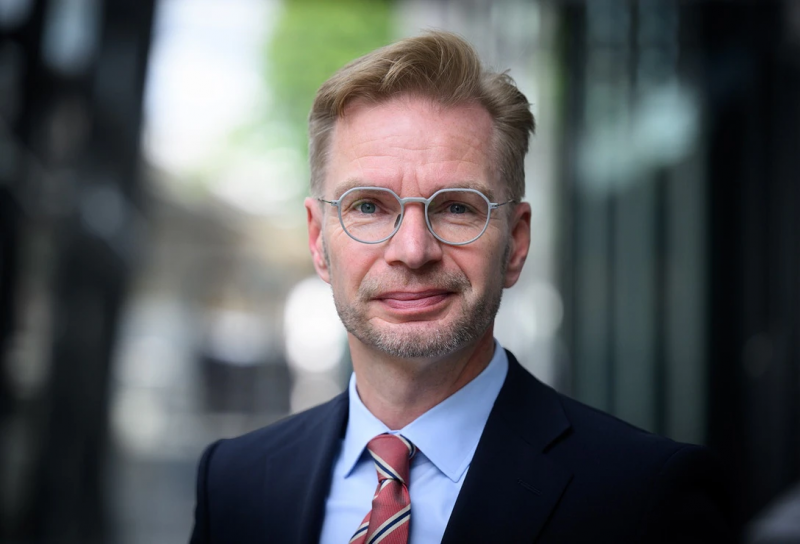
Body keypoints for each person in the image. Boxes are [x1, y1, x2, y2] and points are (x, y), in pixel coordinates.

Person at [189, 31, 734, 544]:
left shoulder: (645, 496)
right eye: (369, 207)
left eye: (455, 208)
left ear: (515, 242)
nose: (412, 250)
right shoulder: (234, 481)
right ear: (317, 239)